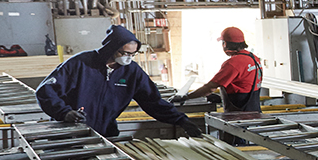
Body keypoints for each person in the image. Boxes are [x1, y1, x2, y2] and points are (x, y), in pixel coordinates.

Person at [36, 25, 202, 138]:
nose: (128, 58)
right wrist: (64, 112)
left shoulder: (132, 72)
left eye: (132, 54)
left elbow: (152, 101)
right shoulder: (81, 64)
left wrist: (180, 120)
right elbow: (45, 91)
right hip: (70, 133)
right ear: (111, 48)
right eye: (124, 53)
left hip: (105, 133)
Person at [182, 27, 264, 113]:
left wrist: (187, 97)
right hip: (255, 111)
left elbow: (210, 87)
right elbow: (244, 84)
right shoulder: (254, 58)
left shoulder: (233, 63)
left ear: (225, 44)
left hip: (239, 115)